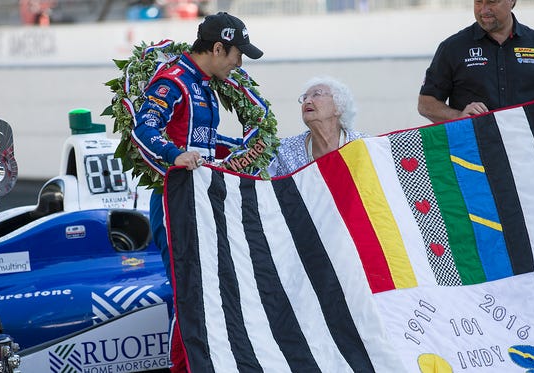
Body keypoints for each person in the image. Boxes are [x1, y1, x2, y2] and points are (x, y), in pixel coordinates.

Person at [130, 11, 262, 372]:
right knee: (190, 293)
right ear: (218, 48)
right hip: (174, 202)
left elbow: (200, 143)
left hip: (199, 202)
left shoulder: (201, 84)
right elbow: (144, 128)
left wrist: (237, 148)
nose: (239, 63)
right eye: (237, 54)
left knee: (207, 292)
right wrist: (174, 155)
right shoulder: (173, 79)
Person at [417, 0, 534, 123]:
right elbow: (426, 103)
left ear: (512, 1)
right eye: (478, 2)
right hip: (474, 151)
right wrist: (458, 116)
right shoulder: (452, 47)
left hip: (528, 151)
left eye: (491, 2)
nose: (483, 10)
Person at [270, 76, 367, 176]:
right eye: (304, 98)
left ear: (339, 107)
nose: (307, 101)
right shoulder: (285, 151)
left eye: (316, 94)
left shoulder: (364, 146)